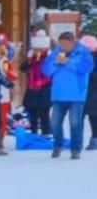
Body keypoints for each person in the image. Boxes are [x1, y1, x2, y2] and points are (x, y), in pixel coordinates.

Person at [43, 31, 94, 159]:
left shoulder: (83, 52)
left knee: (75, 123)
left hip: (76, 94)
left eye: (65, 44)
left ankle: (76, 149)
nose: (62, 47)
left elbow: (87, 68)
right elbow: (46, 70)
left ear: (72, 42)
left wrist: (68, 62)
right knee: (55, 123)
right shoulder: (55, 52)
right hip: (58, 94)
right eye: (60, 44)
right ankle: (57, 145)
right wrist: (55, 63)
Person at [20, 31, 53, 137]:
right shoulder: (31, 57)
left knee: (44, 112)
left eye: (40, 48)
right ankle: (33, 132)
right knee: (32, 111)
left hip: (45, 87)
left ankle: (46, 133)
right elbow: (23, 68)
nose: (38, 51)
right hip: (32, 87)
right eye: (36, 48)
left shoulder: (50, 57)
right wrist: (30, 60)